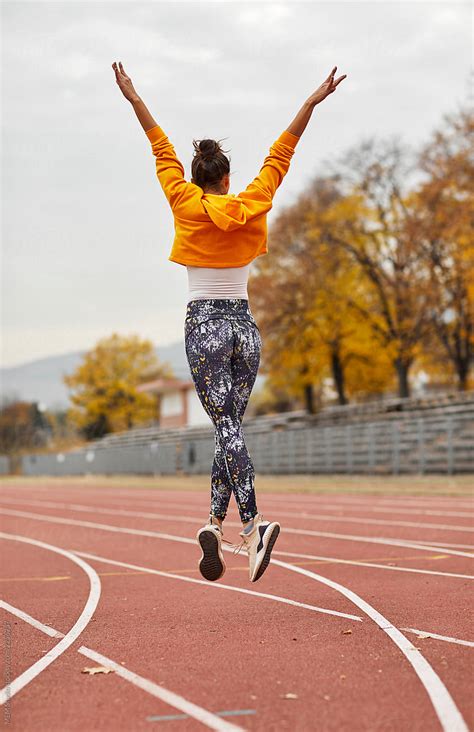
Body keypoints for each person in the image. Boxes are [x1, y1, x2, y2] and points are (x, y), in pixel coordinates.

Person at [112, 61, 347, 583]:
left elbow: (159, 147)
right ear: (226, 178)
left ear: (196, 178)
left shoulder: (182, 200)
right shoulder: (254, 200)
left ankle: (256, 523)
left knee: (226, 428)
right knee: (231, 430)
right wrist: (311, 102)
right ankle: (216, 526)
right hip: (244, 326)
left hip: (205, 326)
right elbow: (282, 152)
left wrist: (133, 97)